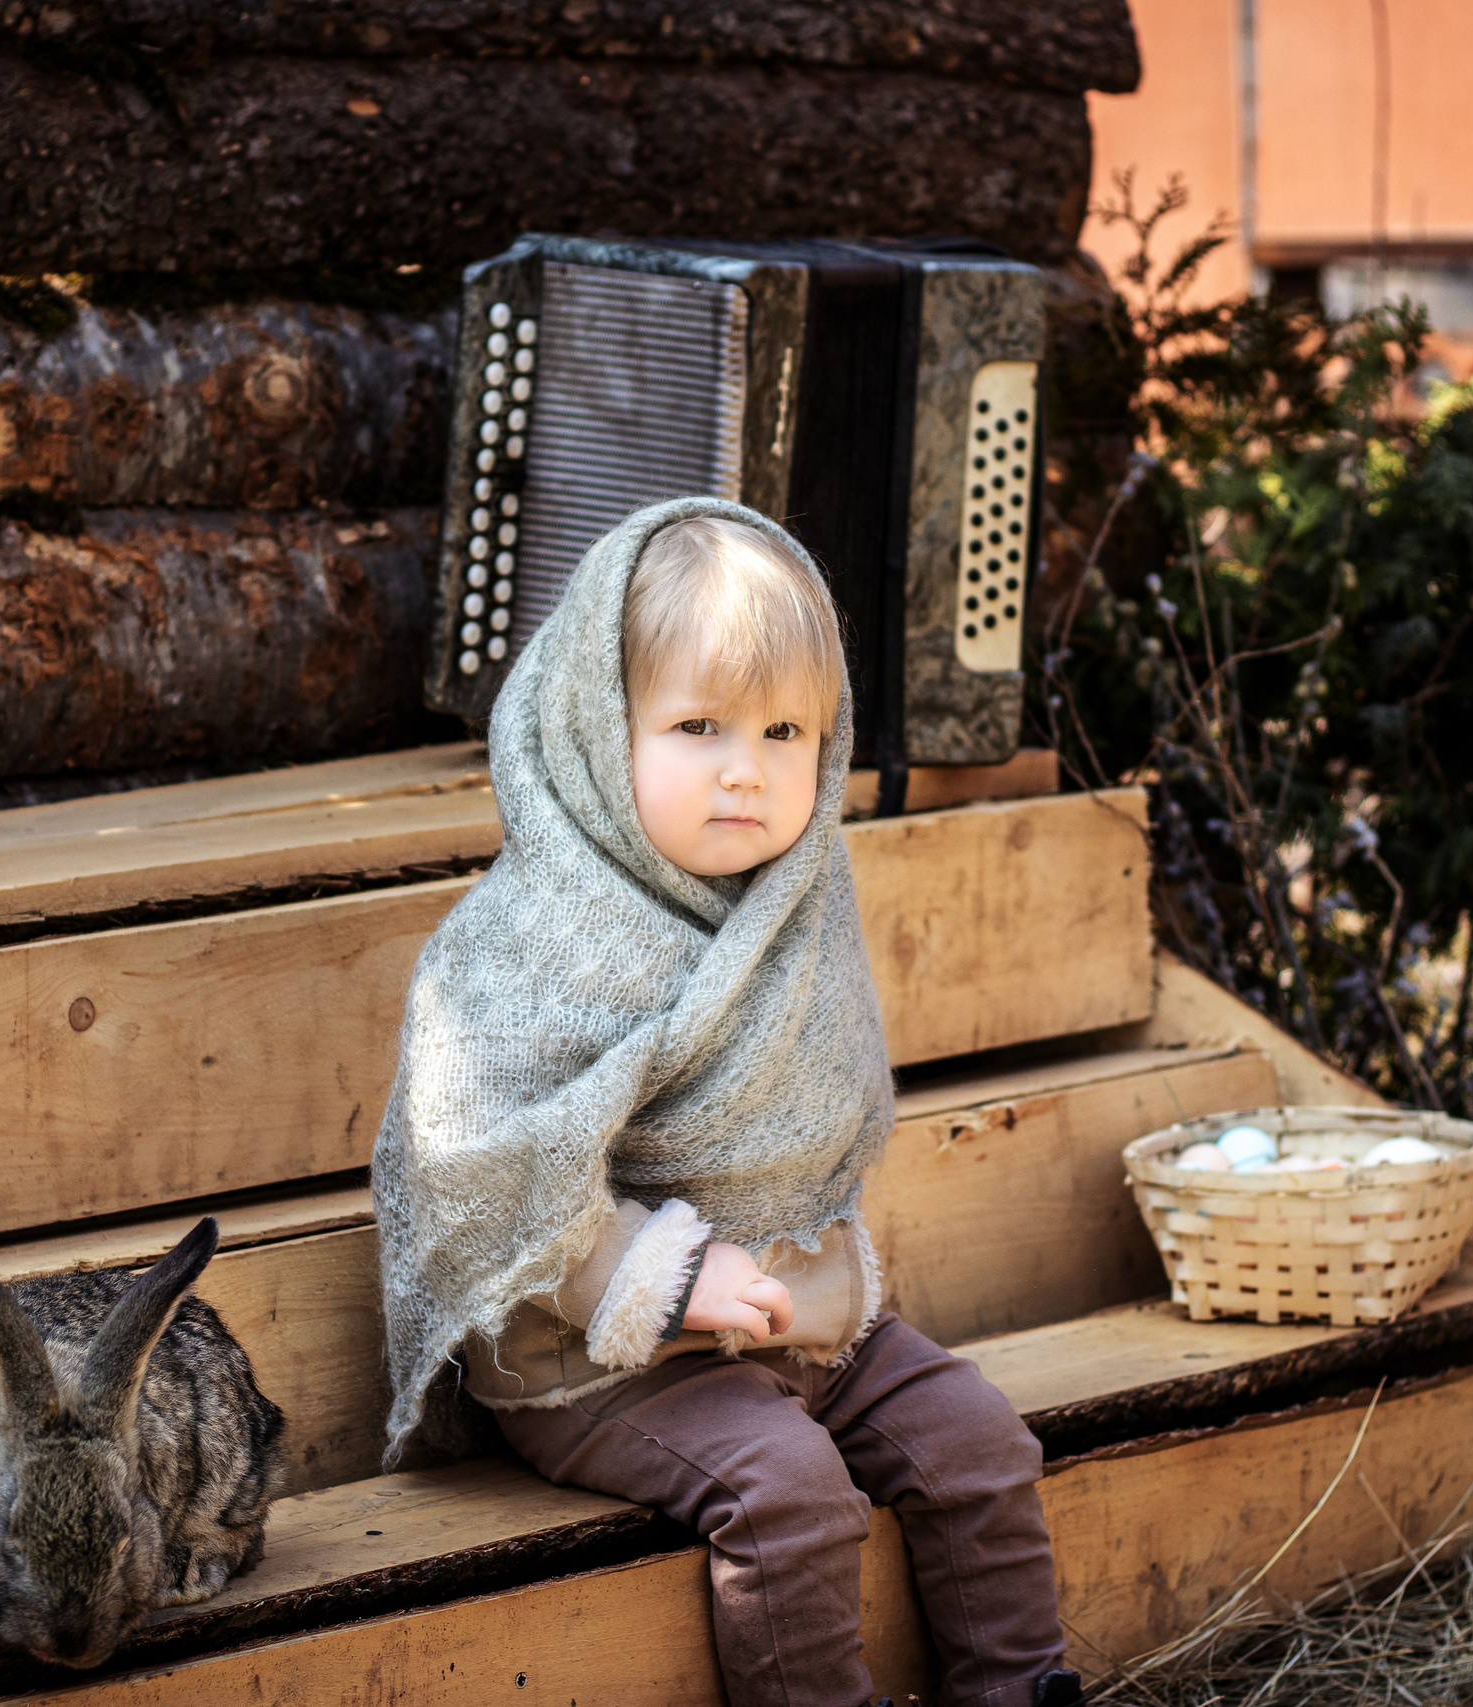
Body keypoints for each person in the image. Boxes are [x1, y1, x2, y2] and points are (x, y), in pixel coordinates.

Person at [372, 497, 1080, 1707]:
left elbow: (808, 1127)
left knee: (977, 1440)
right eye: (696, 725)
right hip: (593, 1361)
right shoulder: (523, 944)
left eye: (785, 729)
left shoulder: (797, 907)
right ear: (601, 729)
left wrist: (809, 1283)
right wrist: (656, 1274)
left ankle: (1023, 1692)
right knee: (790, 1490)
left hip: (797, 1323)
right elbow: (468, 1162)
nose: (746, 770)